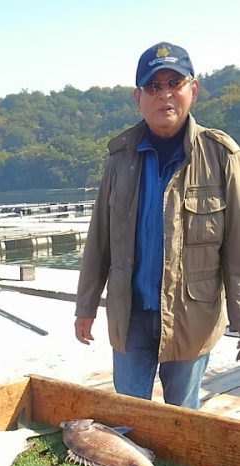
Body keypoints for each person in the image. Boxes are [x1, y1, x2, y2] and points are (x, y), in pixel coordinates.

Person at [75, 42, 240, 409]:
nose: (164, 93)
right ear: (138, 98)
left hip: (192, 316)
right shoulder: (119, 160)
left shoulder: (222, 157)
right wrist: (85, 306)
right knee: (130, 416)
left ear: (192, 90)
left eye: (174, 82)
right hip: (129, 314)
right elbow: (98, 241)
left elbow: (236, 249)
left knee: (184, 417)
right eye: (153, 86)